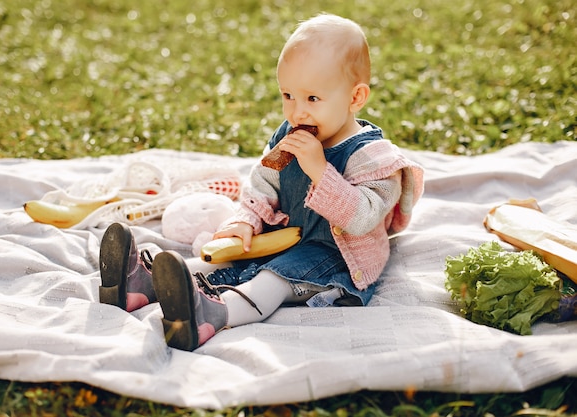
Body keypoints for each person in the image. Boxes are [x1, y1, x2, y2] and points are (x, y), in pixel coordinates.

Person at [98, 13, 424, 351]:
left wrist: (320, 170)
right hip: (284, 235)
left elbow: (363, 218)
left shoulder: (375, 158)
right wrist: (246, 220)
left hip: (337, 257)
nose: (297, 112)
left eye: (312, 99)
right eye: (288, 95)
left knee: (274, 278)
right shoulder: (289, 136)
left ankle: (212, 315)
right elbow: (262, 185)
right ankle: (141, 284)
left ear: (355, 98)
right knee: (236, 256)